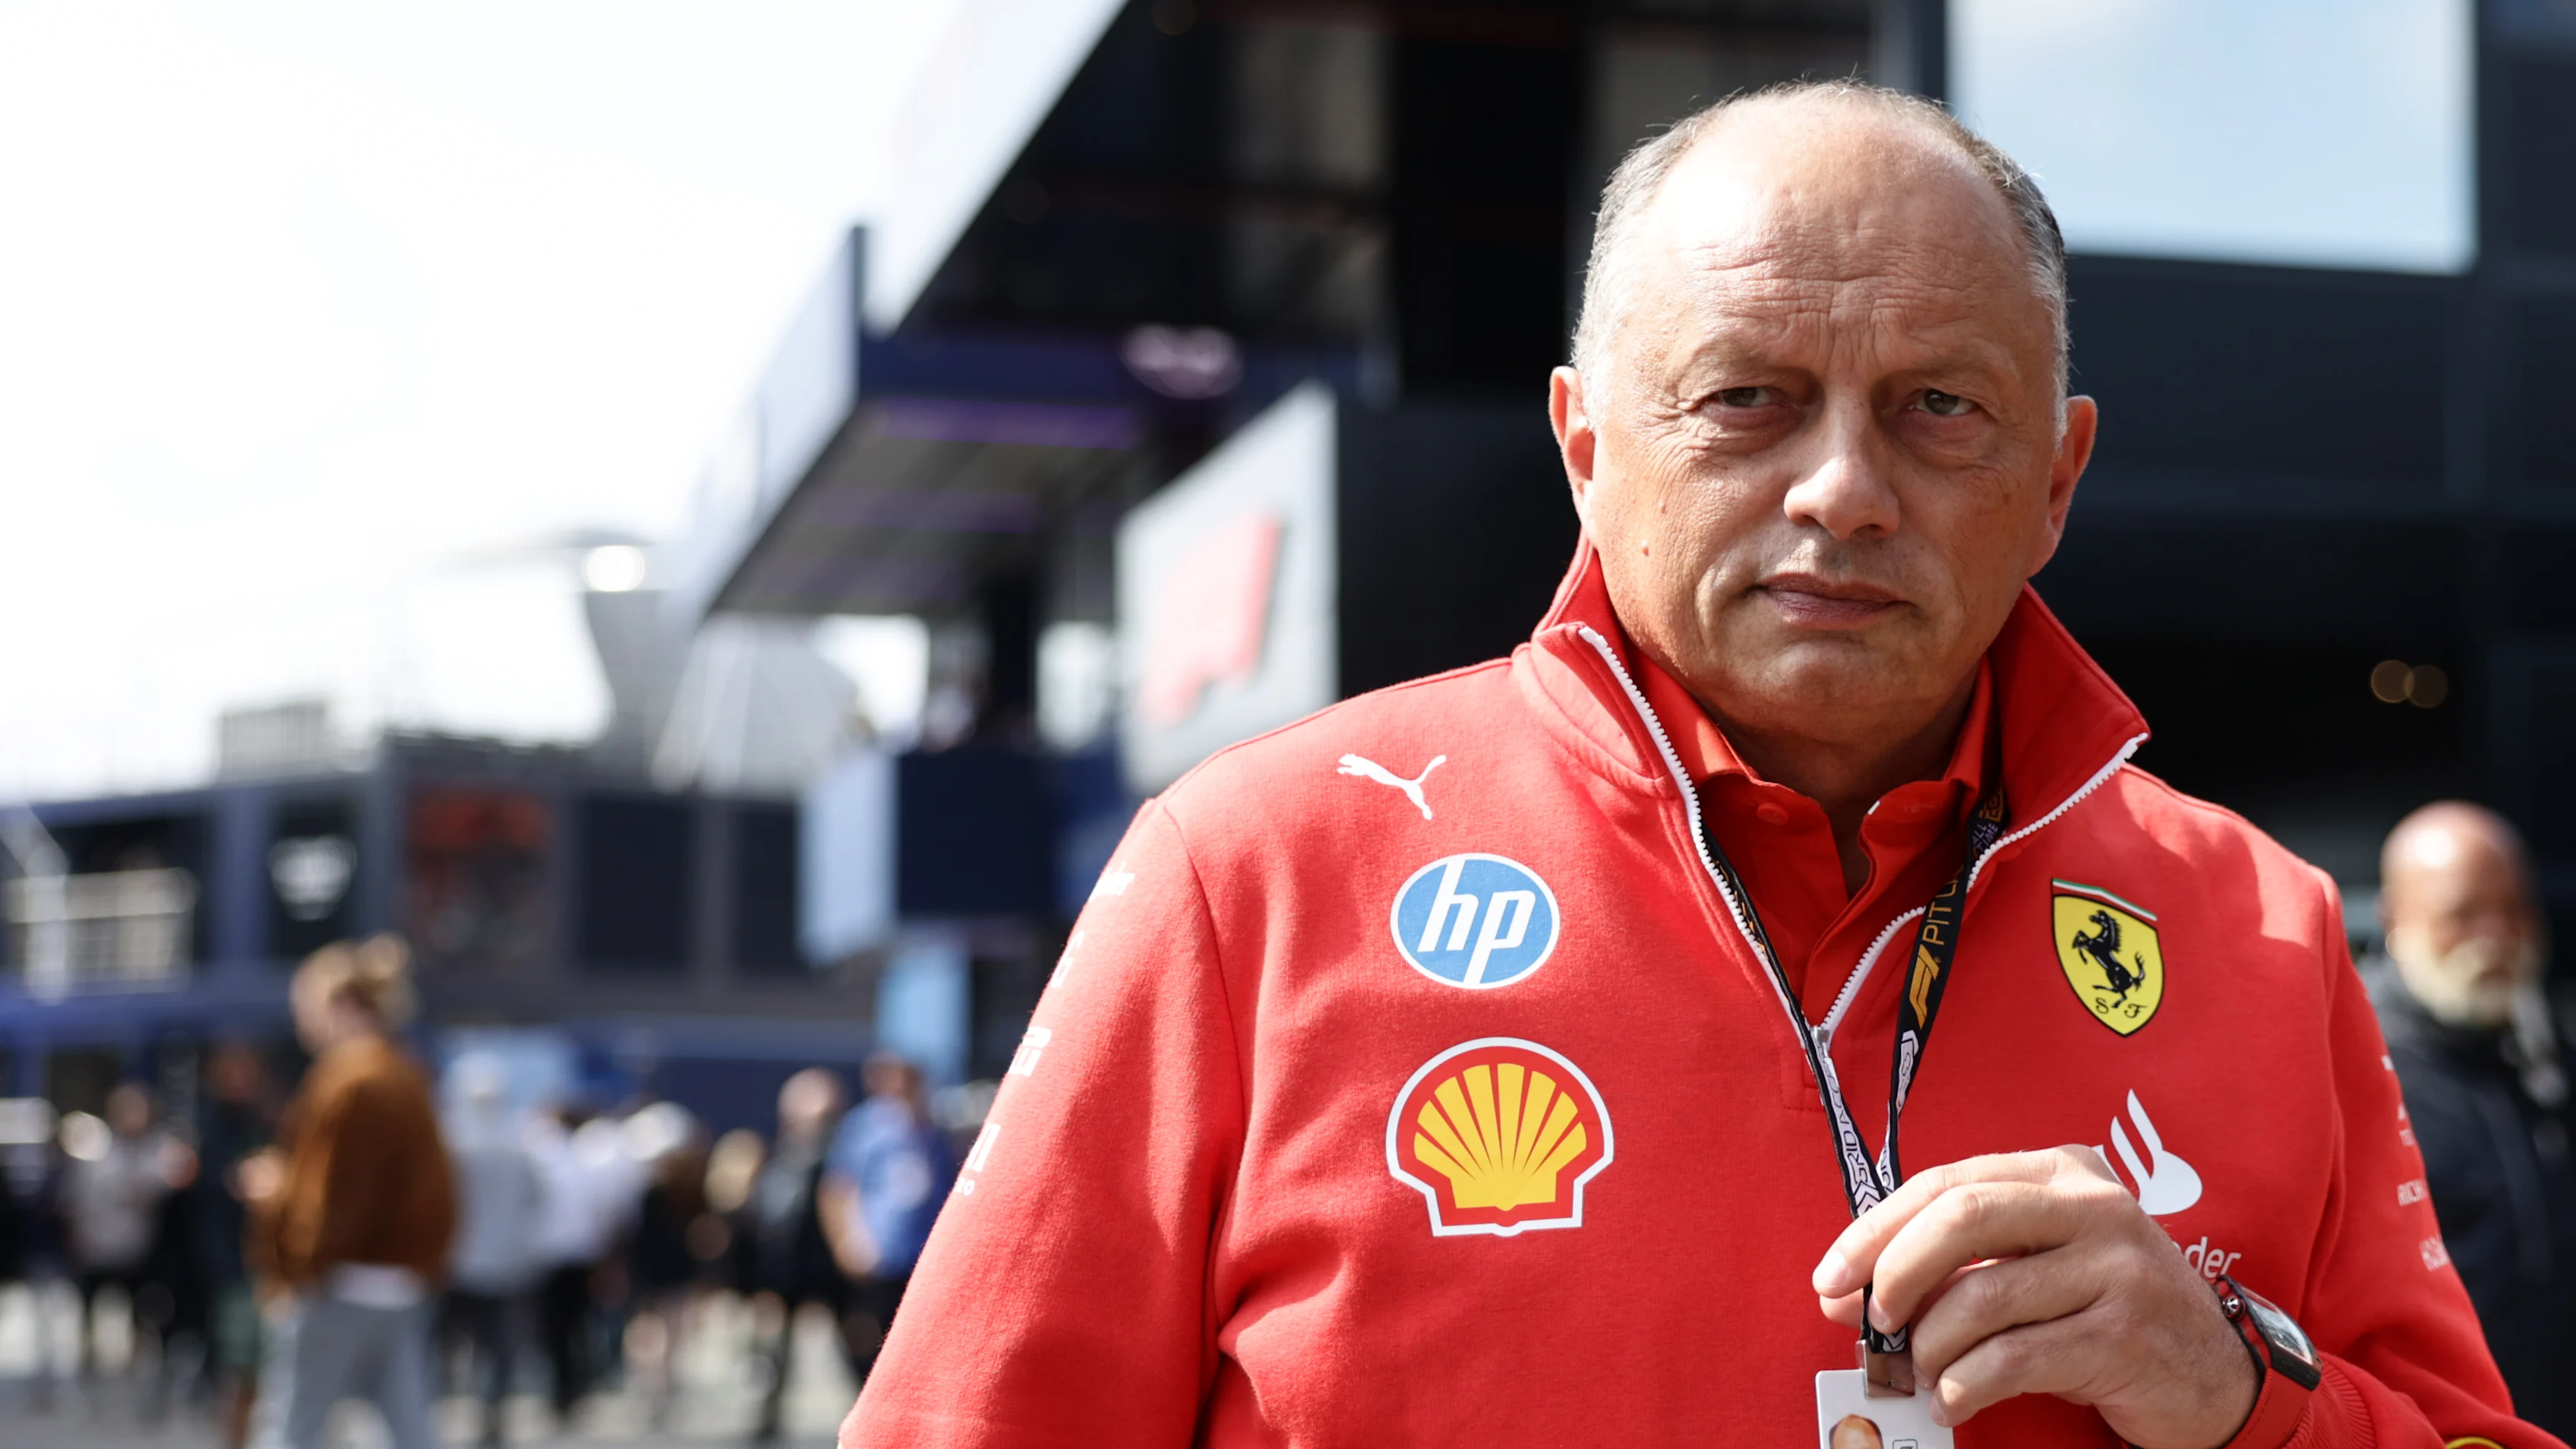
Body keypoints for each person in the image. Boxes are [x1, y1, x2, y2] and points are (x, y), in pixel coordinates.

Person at [842, 80, 2549, 1448]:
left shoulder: (2261, 926)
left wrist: (2242, 1395)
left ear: (2055, 480)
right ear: (1586, 447)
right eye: (1746, 396)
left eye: (1939, 407)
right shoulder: (1251, 875)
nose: (1842, 489)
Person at [2369, 803, 2576, 1435]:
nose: (2495, 936)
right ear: (2395, 920)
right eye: (2462, 915)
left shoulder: (2544, 1043)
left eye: (2513, 910)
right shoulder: (2359, 1068)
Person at [245, 935, 455, 1449]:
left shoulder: (348, 1081)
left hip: (340, 1281)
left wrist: (291, 1246)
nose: (302, 1022)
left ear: (339, 1005)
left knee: (292, 1426)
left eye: (306, 1007)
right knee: (410, 1426)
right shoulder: (404, 1073)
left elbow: (332, 1198)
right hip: (398, 1282)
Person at [818, 1053, 953, 1387]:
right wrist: (846, 1241)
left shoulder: (932, 1130)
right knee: (868, 1332)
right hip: (877, 1251)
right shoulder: (864, 1127)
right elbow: (838, 1188)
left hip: (919, 1254)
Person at [440, 1054, 547, 1446]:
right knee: (497, 1348)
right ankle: (490, 1411)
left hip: (458, 1263)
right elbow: (536, 1199)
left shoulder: (450, 1143)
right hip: (505, 1263)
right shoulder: (518, 1143)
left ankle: (448, 1410)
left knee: (450, 1344)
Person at [742, 1068, 849, 1443]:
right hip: (786, 1267)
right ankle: (767, 1415)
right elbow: (765, 1213)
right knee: (773, 1346)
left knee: (856, 1344)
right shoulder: (780, 1158)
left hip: (830, 1265)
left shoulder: (840, 1156)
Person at [59, 1082, 180, 1396]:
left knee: (143, 1318)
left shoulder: (162, 1152)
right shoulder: (95, 1153)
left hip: (142, 1255)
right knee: (91, 1317)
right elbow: (75, 1203)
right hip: (99, 1252)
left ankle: (139, 1381)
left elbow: (164, 1193)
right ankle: (89, 1381)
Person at [194, 1042, 276, 1449]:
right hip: (233, 1265)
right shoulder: (210, 1127)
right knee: (240, 1367)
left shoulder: (267, 1118)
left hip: (269, 1263)